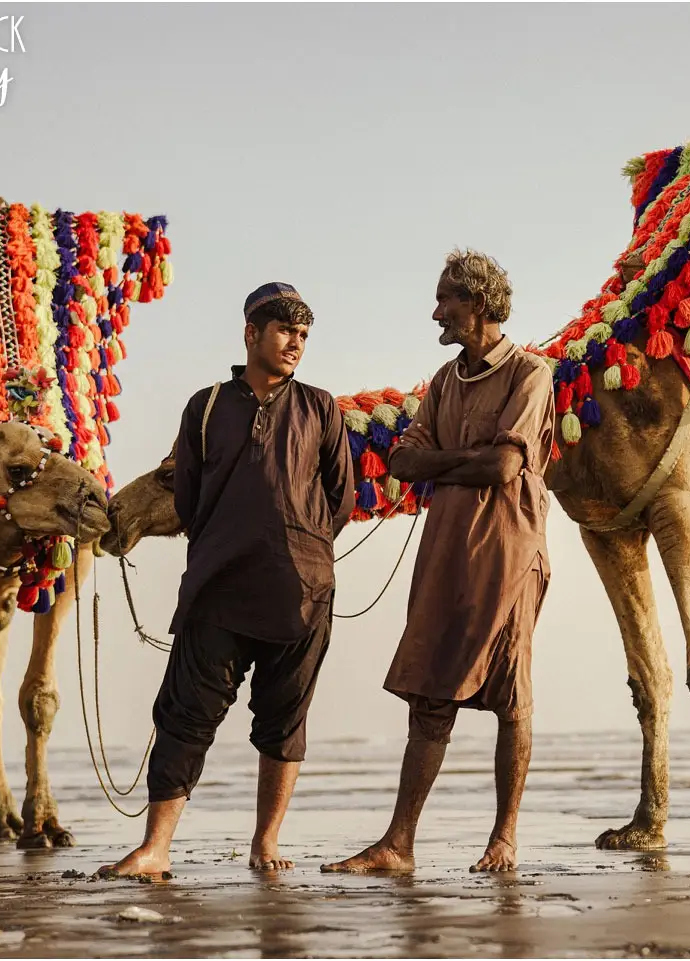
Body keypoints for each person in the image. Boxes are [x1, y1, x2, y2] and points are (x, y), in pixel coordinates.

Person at [98, 282, 355, 880]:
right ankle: (155, 848)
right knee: (185, 716)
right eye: (285, 330)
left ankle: (266, 844)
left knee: (284, 721)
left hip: (301, 593)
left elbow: (340, 498)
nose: (296, 343)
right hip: (217, 589)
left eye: (304, 335)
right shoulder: (206, 406)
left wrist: (302, 546)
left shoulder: (320, 407)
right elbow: (187, 497)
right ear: (251, 334)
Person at [323, 249, 553, 874]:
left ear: (476, 304)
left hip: (508, 554)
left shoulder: (532, 375)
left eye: (445, 300)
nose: (436, 313)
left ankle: (504, 838)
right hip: (445, 555)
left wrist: (446, 464)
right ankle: (399, 844)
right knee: (428, 696)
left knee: (511, 695)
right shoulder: (447, 381)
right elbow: (401, 461)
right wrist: (467, 462)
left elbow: (507, 467)